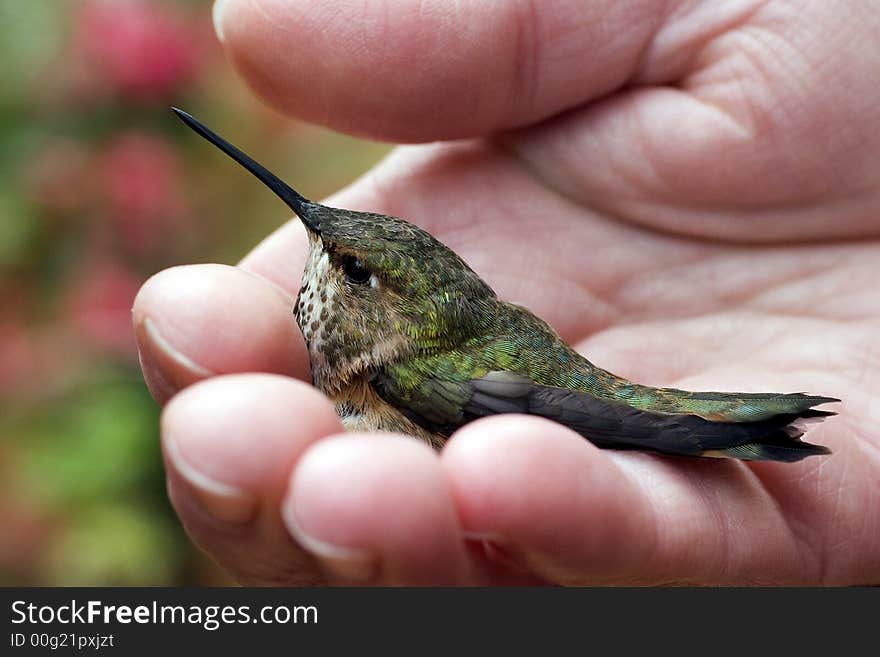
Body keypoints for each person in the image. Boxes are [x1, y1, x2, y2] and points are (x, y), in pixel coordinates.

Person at [133, 0, 880, 585]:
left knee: (615, 431)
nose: (326, 259)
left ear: (389, 311)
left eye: (353, 269)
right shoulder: (394, 342)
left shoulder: (399, 367)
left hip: (533, 396)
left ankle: (743, 428)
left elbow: (548, 404)